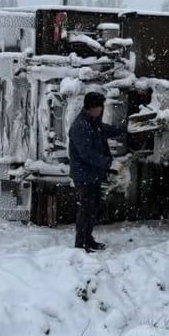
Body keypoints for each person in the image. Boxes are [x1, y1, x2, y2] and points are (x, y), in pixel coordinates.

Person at [67, 92, 124, 252]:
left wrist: (124, 128)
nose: (100, 110)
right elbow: (87, 153)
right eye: (98, 107)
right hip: (83, 175)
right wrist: (108, 163)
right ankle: (80, 243)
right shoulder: (80, 126)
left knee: (93, 208)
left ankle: (88, 239)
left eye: (101, 107)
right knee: (85, 209)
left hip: (93, 174)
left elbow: (107, 130)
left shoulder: (93, 122)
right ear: (90, 107)